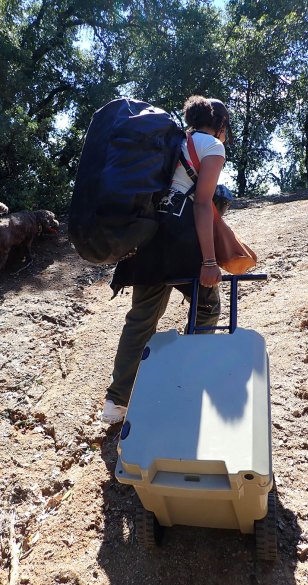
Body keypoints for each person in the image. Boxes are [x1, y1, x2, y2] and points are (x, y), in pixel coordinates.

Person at [100, 95, 232, 424]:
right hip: (182, 242)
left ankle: (116, 404)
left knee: (141, 319)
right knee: (206, 307)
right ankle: (185, 386)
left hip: (146, 238)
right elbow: (201, 204)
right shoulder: (212, 146)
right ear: (221, 126)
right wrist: (209, 262)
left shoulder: (169, 139)